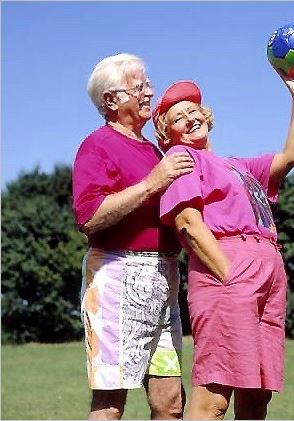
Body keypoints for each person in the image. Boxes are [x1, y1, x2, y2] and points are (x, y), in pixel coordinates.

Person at [152, 65, 294, 420]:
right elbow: (188, 224)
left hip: (268, 273)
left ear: (206, 115)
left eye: (192, 110)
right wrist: (230, 274)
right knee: (214, 399)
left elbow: (291, 156)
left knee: (257, 397)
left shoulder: (239, 166)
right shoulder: (183, 160)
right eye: (178, 118)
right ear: (168, 135)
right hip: (229, 269)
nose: (189, 118)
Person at [72, 53, 195, 420]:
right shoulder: (97, 145)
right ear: (111, 100)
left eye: (148, 84)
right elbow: (89, 216)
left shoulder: (154, 150)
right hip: (118, 278)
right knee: (111, 404)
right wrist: (152, 183)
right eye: (139, 87)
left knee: (171, 404)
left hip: (165, 277)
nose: (149, 93)